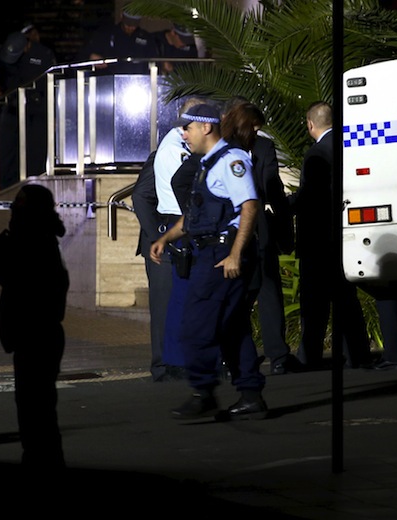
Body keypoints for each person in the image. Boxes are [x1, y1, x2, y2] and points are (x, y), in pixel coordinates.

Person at [150, 103, 267, 421]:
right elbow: (195, 214)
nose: (183, 133)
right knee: (232, 327)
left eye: (187, 127)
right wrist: (166, 238)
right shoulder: (206, 163)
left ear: (206, 127)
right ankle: (250, 394)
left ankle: (203, 392)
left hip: (220, 255)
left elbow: (250, 206)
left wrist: (234, 253)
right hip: (210, 251)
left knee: (196, 325)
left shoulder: (231, 161)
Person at [0, 184, 70, 468]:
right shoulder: (41, 238)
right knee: (38, 409)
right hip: (41, 335)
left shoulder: (31, 240)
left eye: (19, 205)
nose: (14, 210)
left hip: (35, 336)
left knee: (34, 410)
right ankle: (44, 461)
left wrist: (9, 233)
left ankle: (42, 463)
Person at [289, 101, 372, 370]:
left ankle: (309, 357)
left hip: (318, 238)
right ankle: (358, 354)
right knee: (346, 300)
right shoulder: (351, 146)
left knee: (314, 304)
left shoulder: (315, 155)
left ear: (310, 124)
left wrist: (284, 205)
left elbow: (311, 197)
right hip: (344, 236)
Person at [222, 96, 301, 375]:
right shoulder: (223, 151)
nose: (257, 133)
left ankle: (277, 354)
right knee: (239, 292)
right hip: (232, 227)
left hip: (261, 228)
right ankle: (231, 354)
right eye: (254, 127)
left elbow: (274, 190)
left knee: (269, 291)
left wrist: (284, 232)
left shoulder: (264, 147)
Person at [132, 97, 202, 382]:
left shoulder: (191, 152)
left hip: (177, 235)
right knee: (162, 304)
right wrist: (156, 236)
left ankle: (180, 362)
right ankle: (161, 366)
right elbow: (141, 195)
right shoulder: (164, 154)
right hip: (162, 236)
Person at [0, 28, 56, 188]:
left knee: (35, 151)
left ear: (26, 46)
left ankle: (33, 188)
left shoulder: (43, 54)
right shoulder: (4, 51)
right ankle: (5, 189)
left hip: (38, 109)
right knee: (6, 150)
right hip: (12, 106)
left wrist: (54, 113)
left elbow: (53, 83)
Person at [79, 10, 156, 74]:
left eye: (134, 24)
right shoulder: (106, 34)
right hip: (108, 82)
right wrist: (91, 57)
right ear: (121, 16)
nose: (130, 27)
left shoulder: (146, 38)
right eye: (127, 23)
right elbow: (82, 56)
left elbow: (154, 62)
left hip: (137, 84)